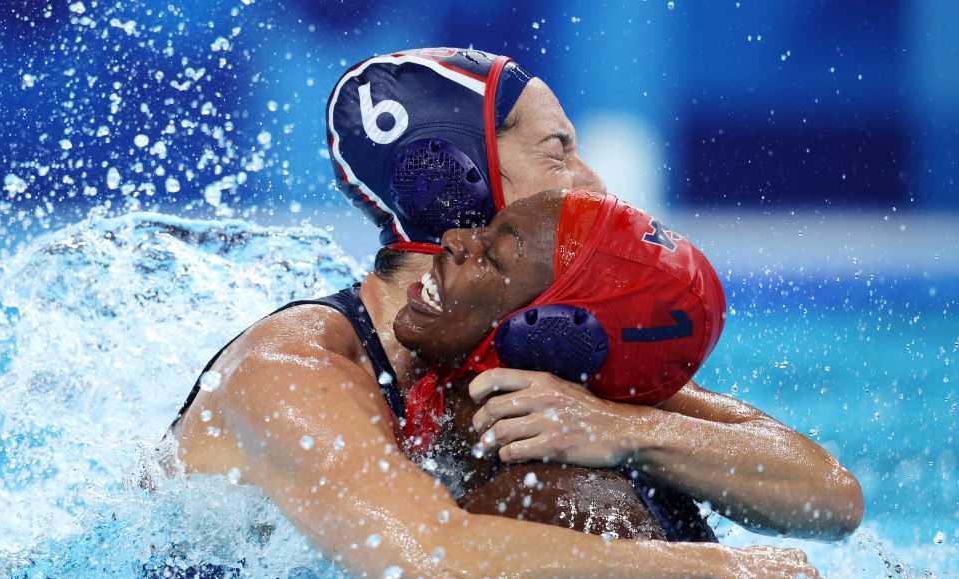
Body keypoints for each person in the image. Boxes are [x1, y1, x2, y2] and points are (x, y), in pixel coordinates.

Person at [325, 47, 863, 540]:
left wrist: (622, 429)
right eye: (557, 154)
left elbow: (833, 498)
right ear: (463, 181)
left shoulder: (556, 356)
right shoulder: (319, 364)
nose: (594, 183)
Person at [168, 191, 819, 577]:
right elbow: (428, 559)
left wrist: (627, 430)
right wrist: (718, 569)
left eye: (492, 250)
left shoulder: (546, 381)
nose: (452, 239)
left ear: (547, 330)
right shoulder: (296, 371)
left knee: (599, 493)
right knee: (575, 505)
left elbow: (829, 494)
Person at [397, 188, 725, 543]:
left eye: (491, 255)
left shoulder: (557, 506)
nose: (455, 239)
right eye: (485, 229)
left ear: (548, 342)